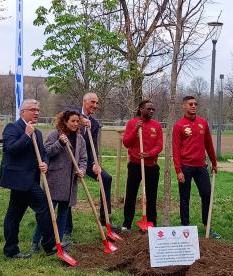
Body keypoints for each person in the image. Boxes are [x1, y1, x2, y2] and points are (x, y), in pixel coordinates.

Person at [0, 99, 56, 259]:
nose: (36, 112)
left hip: (30, 179)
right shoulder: (12, 128)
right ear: (22, 112)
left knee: (14, 215)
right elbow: (11, 150)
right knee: (44, 205)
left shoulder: (37, 132)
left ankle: (11, 250)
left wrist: (45, 162)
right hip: (18, 179)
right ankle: (50, 245)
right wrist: (26, 134)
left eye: (38, 109)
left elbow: (43, 152)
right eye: (32, 109)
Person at [31, 110, 87, 252]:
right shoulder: (55, 135)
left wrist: (82, 170)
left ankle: (58, 242)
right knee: (47, 213)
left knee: (63, 213)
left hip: (70, 183)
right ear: (65, 121)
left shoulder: (80, 139)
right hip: (55, 180)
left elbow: (83, 159)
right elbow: (46, 152)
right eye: (72, 121)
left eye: (77, 121)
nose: (75, 124)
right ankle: (35, 242)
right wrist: (60, 143)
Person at [65, 92, 116, 237]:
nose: (95, 105)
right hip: (68, 158)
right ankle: (67, 227)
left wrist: (94, 163)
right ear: (84, 102)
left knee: (106, 178)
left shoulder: (95, 123)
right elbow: (63, 123)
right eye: (92, 102)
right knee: (69, 187)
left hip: (84, 159)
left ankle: (105, 217)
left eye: (96, 103)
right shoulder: (72, 112)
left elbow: (92, 144)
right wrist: (80, 120)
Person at [172, 96, 220, 239]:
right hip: (185, 166)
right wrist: (178, 170)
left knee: (207, 195)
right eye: (190, 104)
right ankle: (185, 228)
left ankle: (207, 226)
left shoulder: (203, 123)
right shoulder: (179, 125)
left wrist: (214, 162)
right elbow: (175, 149)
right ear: (184, 106)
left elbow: (209, 144)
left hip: (201, 166)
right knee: (184, 198)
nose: (193, 106)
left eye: (195, 104)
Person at [122, 100, 163, 230]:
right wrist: (135, 129)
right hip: (135, 165)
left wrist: (149, 154)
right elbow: (126, 143)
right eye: (148, 109)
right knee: (131, 194)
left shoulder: (156, 126)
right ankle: (127, 223)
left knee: (151, 196)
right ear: (141, 109)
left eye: (153, 109)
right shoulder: (132, 123)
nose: (151, 111)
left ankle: (151, 223)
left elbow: (159, 145)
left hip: (151, 166)